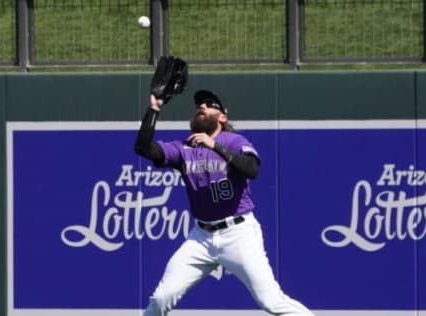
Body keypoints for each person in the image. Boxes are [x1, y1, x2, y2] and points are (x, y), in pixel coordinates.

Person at [135, 89, 315, 316]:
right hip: (201, 237)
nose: (202, 106)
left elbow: (252, 169)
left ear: (222, 117)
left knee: (271, 301)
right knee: (161, 299)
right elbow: (143, 148)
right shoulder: (184, 148)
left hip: (238, 233)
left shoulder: (234, 141)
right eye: (199, 104)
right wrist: (154, 108)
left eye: (210, 104)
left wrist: (215, 146)